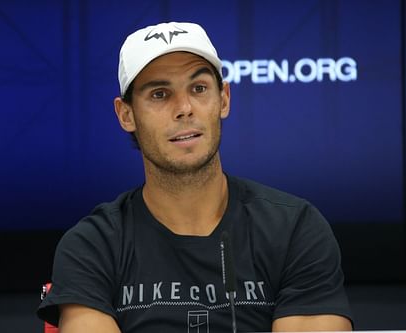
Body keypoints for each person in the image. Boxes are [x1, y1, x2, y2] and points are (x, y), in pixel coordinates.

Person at [37, 21, 353, 332]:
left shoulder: (294, 229)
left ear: (224, 99)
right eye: (160, 94)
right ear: (126, 115)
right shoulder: (92, 246)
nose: (184, 108)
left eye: (198, 88)